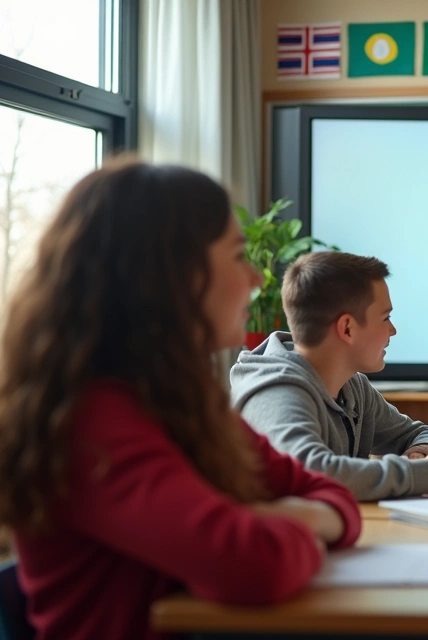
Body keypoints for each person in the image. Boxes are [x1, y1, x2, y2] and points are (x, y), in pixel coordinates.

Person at [0, 160, 362, 640]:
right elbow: (254, 564)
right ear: (170, 274)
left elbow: (330, 495)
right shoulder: (91, 423)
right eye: (237, 257)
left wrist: (296, 515)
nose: (256, 279)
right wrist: (295, 521)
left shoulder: (183, 402)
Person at [230, 252, 428, 500]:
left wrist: (419, 452)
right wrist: (427, 472)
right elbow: (309, 472)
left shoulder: (352, 385)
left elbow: (416, 433)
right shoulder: (275, 391)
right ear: (347, 328)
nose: (393, 330)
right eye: (386, 318)